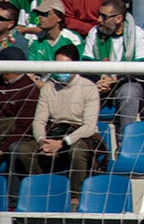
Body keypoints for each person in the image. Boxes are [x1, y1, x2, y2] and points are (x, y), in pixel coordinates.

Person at [13, 44, 100, 208]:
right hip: (53, 133)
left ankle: (75, 199)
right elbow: (39, 121)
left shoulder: (89, 88)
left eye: (64, 66)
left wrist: (62, 143)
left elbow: (89, 126)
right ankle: (42, 191)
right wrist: (42, 141)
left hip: (78, 136)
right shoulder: (48, 88)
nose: (60, 70)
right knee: (24, 150)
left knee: (78, 150)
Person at [82, 0, 144, 135]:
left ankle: (125, 141)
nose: (98, 20)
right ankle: (85, 137)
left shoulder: (138, 34)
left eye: (104, 16)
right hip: (100, 82)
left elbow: (142, 71)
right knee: (83, 88)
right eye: (99, 14)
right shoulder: (94, 33)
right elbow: (86, 66)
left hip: (126, 83)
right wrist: (98, 81)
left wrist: (114, 79)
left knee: (129, 93)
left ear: (118, 19)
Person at [0, 46, 39, 175]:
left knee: (15, 150)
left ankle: (13, 194)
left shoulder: (29, 90)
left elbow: (23, 128)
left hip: (16, 139)